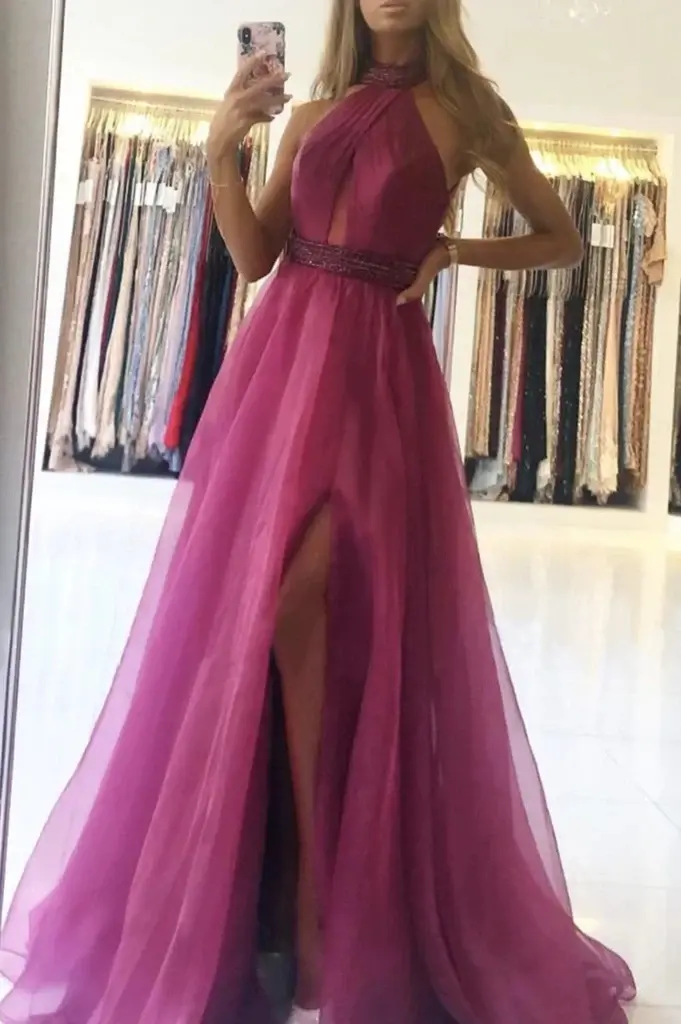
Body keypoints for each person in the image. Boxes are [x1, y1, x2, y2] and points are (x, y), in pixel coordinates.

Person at [0, 1, 635, 1022]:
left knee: (327, 605)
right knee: (265, 614)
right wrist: (222, 148)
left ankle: (321, 906)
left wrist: (456, 253)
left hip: (378, 378)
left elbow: (560, 240)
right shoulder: (310, 117)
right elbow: (256, 257)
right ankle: (278, 892)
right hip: (282, 371)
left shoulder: (469, 111)